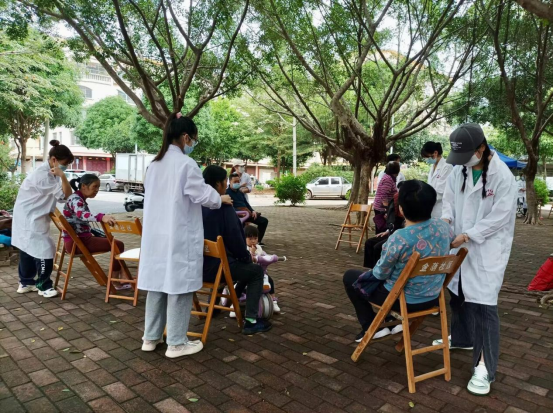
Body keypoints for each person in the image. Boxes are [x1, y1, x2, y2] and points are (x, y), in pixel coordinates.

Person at [138, 113, 232, 359]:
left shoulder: (154, 164)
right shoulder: (186, 164)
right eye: (194, 139)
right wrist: (219, 198)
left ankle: (150, 337)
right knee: (179, 286)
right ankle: (177, 343)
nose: (194, 143)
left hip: (156, 236)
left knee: (157, 285)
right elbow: (201, 194)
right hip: (179, 233)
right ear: (186, 137)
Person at [435, 123, 517, 396]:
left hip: (486, 248)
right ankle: (461, 339)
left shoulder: (502, 176)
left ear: (481, 148)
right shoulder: (459, 170)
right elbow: (448, 201)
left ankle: (484, 367)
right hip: (459, 242)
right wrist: (446, 221)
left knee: (483, 307)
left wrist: (468, 235)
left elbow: (500, 217)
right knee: (457, 294)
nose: (463, 161)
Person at [343, 180, 453, 342]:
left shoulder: (400, 238)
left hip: (402, 300)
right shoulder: (443, 227)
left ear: (401, 208)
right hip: (432, 298)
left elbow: (380, 273)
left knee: (351, 277)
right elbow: (451, 241)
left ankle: (371, 326)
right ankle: (391, 321)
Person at [201, 165, 272, 335]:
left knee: (223, 262)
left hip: (197, 268)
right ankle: (251, 321)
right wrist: (247, 257)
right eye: (225, 181)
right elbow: (237, 241)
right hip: (219, 269)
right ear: (218, 184)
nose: (226, 184)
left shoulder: (196, 204)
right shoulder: (224, 207)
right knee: (254, 271)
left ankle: (213, 307)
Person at [12, 140, 74, 298]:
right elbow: (66, 196)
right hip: (31, 217)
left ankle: (26, 282)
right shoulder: (43, 176)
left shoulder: (50, 173)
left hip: (30, 215)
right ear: (54, 160)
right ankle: (44, 286)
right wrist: (63, 176)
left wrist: (60, 175)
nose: (66, 167)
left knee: (28, 248)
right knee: (44, 249)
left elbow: (62, 197)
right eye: (64, 164)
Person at [62, 174, 130, 290]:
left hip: (75, 241)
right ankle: (115, 281)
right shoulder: (76, 199)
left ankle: (123, 275)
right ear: (84, 186)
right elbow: (82, 215)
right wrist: (101, 217)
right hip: (78, 243)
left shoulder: (76, 198)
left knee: (112, 242)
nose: (97, 190)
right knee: (118, 245)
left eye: (98, 187)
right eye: (95, 187)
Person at [244, 224, 285, 313]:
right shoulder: (245, 248)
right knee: (242, 283)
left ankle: (273, 299)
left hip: (260, 271)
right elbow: (248, 259)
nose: (253, 241)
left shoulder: (258, 247)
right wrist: (252, 253)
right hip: (248, 271)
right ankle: (236, 301)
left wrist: (272, 257)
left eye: (255, 238)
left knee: (270, 280)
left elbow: (264, 254)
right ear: (244, 239)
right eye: (250, 239)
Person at [363, 181, 405, 269]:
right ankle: (370, 269)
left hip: (399, 236)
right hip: (392, 232)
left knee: (378, 247)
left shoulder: (407, 207)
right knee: (369, 242)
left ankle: (378, 271)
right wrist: (387, 231)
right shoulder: (395, 202)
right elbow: (393, 222)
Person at [227, 173, 269, 244]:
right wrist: (241, 213)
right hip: (238, 215)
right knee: (242, 225)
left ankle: (257, 242)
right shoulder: (227, 193)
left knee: (264, 221)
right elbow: (229, 207)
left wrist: (252, 211)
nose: (237, 183)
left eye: (238, 182)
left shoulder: (240, 192)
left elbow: (246, 203)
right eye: (235, 182)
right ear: (230, 181)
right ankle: (243, 243)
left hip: (247, 213)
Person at [421, 141, 453, 218]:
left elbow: (441, 191)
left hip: (441, 207)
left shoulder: (447, 166)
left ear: (435, 153)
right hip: (432, 205)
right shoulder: (433, 166)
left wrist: (424, 199)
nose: (426, 160)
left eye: (427, 157)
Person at [372, 161, 400, 233]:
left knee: (383, 229)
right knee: (382, 229)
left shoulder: (389, 177)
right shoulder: (388, 179)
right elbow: (383, 195)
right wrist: (387, 210)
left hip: (382, 207)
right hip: (382, 209)